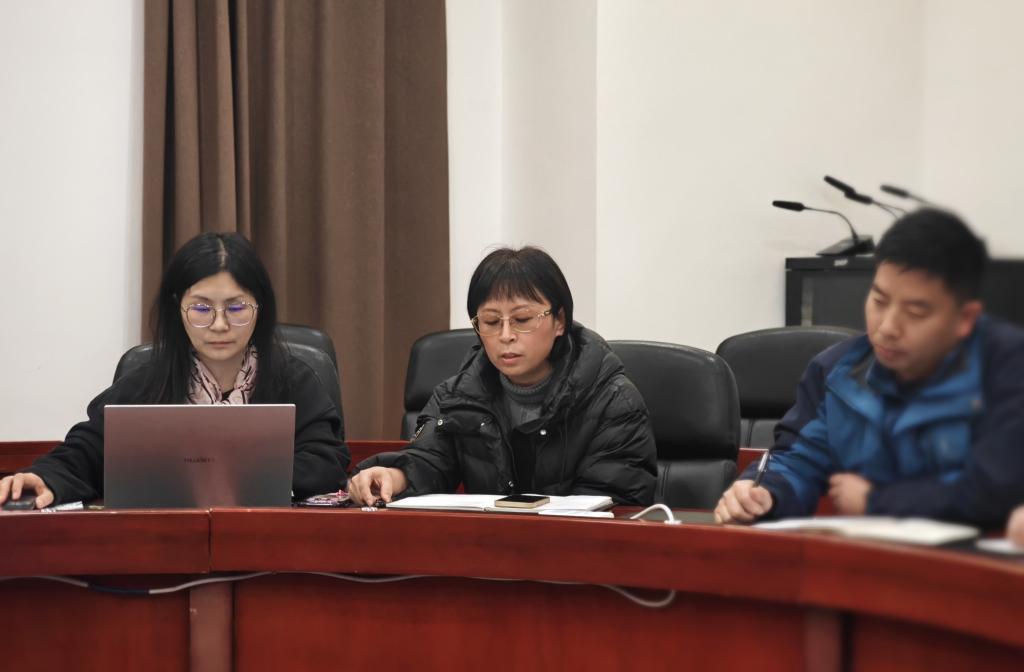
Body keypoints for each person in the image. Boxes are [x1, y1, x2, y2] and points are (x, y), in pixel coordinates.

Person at [715, 208, 1024, 528]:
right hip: (870, 553)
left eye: (915, 313)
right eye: (879, 301)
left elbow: (996, 488)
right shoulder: (837, 372)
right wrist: (764, 492)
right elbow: (796, 460)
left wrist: (878, 500)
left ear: (965, 319)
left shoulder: (1007, 371)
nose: (887, 327)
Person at [0, 232, 349, 509]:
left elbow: (327, 461)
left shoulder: (295, 379)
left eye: (236, 308)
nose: (219, 325)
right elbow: (88, 451)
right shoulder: (147, 380)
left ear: (260, 307)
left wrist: (234, 474)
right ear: (177, 308)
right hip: (163, 541)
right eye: (201, 309)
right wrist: (46, 478)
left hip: (266, 538)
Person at [347, 246, 657, 506]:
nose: (506, 335)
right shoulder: (457, 397)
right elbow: (430, 460)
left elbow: (613, 502)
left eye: (522, 319)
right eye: (491, 322)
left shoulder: (613, 402)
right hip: (489, 551)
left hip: (578, 554)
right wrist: (395, 476)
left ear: (559, 321)